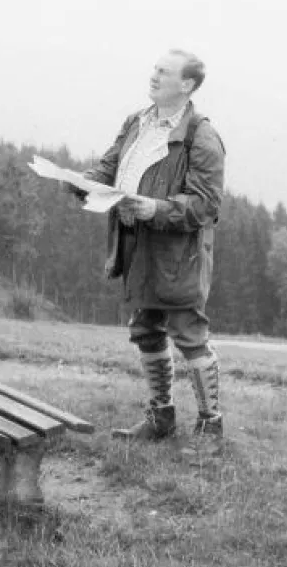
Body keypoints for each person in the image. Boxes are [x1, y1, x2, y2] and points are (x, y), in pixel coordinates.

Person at [75, 49, 226, 451]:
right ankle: (161, 417)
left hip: (179, 256)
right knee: (145, 329)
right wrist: (79, 181)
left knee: (188, 333)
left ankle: (211, 426)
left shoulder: (202, 136)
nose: (154, 76)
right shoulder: (137, 122)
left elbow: (206, 206)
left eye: (164, 72)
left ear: (187, 85)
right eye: (154, 69)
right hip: (137, 246)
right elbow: (109, 168)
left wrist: (156, 208)